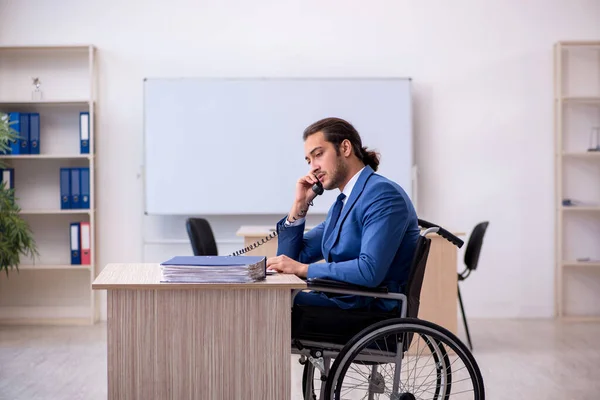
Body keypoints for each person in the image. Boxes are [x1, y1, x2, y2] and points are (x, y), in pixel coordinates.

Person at [266, 117, 420, 311]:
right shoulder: (343, 203)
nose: (312, 166)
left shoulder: (382, 194)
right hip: (341, 300)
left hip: (365, 309)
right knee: (272, 298)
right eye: (309, 160)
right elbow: (294, 257)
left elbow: (369, 270)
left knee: (273, 303)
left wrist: (303, 270)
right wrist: (300, 205)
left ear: (345, 148)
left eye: (318, 154)